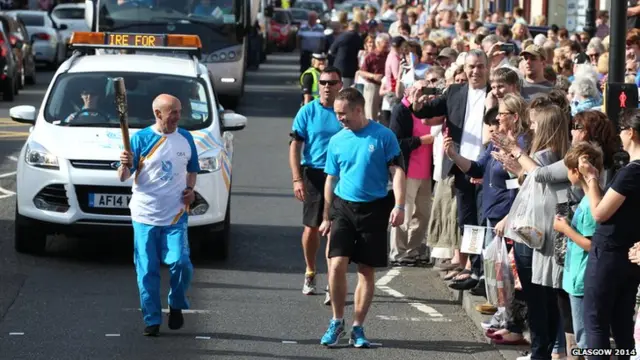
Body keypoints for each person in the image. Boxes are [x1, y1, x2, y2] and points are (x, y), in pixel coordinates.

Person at [319, 88, 406, 348]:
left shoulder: (383, 136)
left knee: (366, 271)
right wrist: (326, 215)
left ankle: (358, 326)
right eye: (336, 114)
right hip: (343, 207)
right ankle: (337, 320)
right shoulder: (337, 140)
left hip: (375, 208)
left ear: (359, 109)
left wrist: (399, 205)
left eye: (343, 114)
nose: (340, 119)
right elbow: (330, 177)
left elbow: (398, 171)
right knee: (336, 265)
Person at [117, 94, 200, 337]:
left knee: (181, 263)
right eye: (172, 112)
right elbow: (123, 176)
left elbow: (192, 169)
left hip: (175, 215)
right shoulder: (141, 139)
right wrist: (124, 164)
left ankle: (176, 303)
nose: (177, 116)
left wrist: (190, 190)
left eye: (179, 111)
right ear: (158, 114)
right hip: (145, 216)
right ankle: (152, 318)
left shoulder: (185, 138)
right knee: (147, 270)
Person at [580, 109, 640, 359]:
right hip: (630, 254)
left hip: (610, 253)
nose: (620, 136)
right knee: (623, 324)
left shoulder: (631, 171)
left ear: (631, 132)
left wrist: (591, 179)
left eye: (622, 130)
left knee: (596, 323)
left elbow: (600, 213)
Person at [289, 67, 344, 305]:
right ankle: (311, 271)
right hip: (313, 173)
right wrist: (297, 179)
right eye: (323, 82)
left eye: (332, 83)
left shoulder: (346, 110)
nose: (327, 87)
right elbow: (295, 145)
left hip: (341, 176)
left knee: (335, 229)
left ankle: (333, 280)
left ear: (340, 85)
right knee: (312, 229)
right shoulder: (307, 111)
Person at [553, 142, 604, 354]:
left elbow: (592, 245)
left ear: (576, 171)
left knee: (586, 340)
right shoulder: (586, 200)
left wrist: (565, 229)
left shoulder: (592, 203)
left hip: (583, 279)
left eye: (568, 169)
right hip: (577, 277)